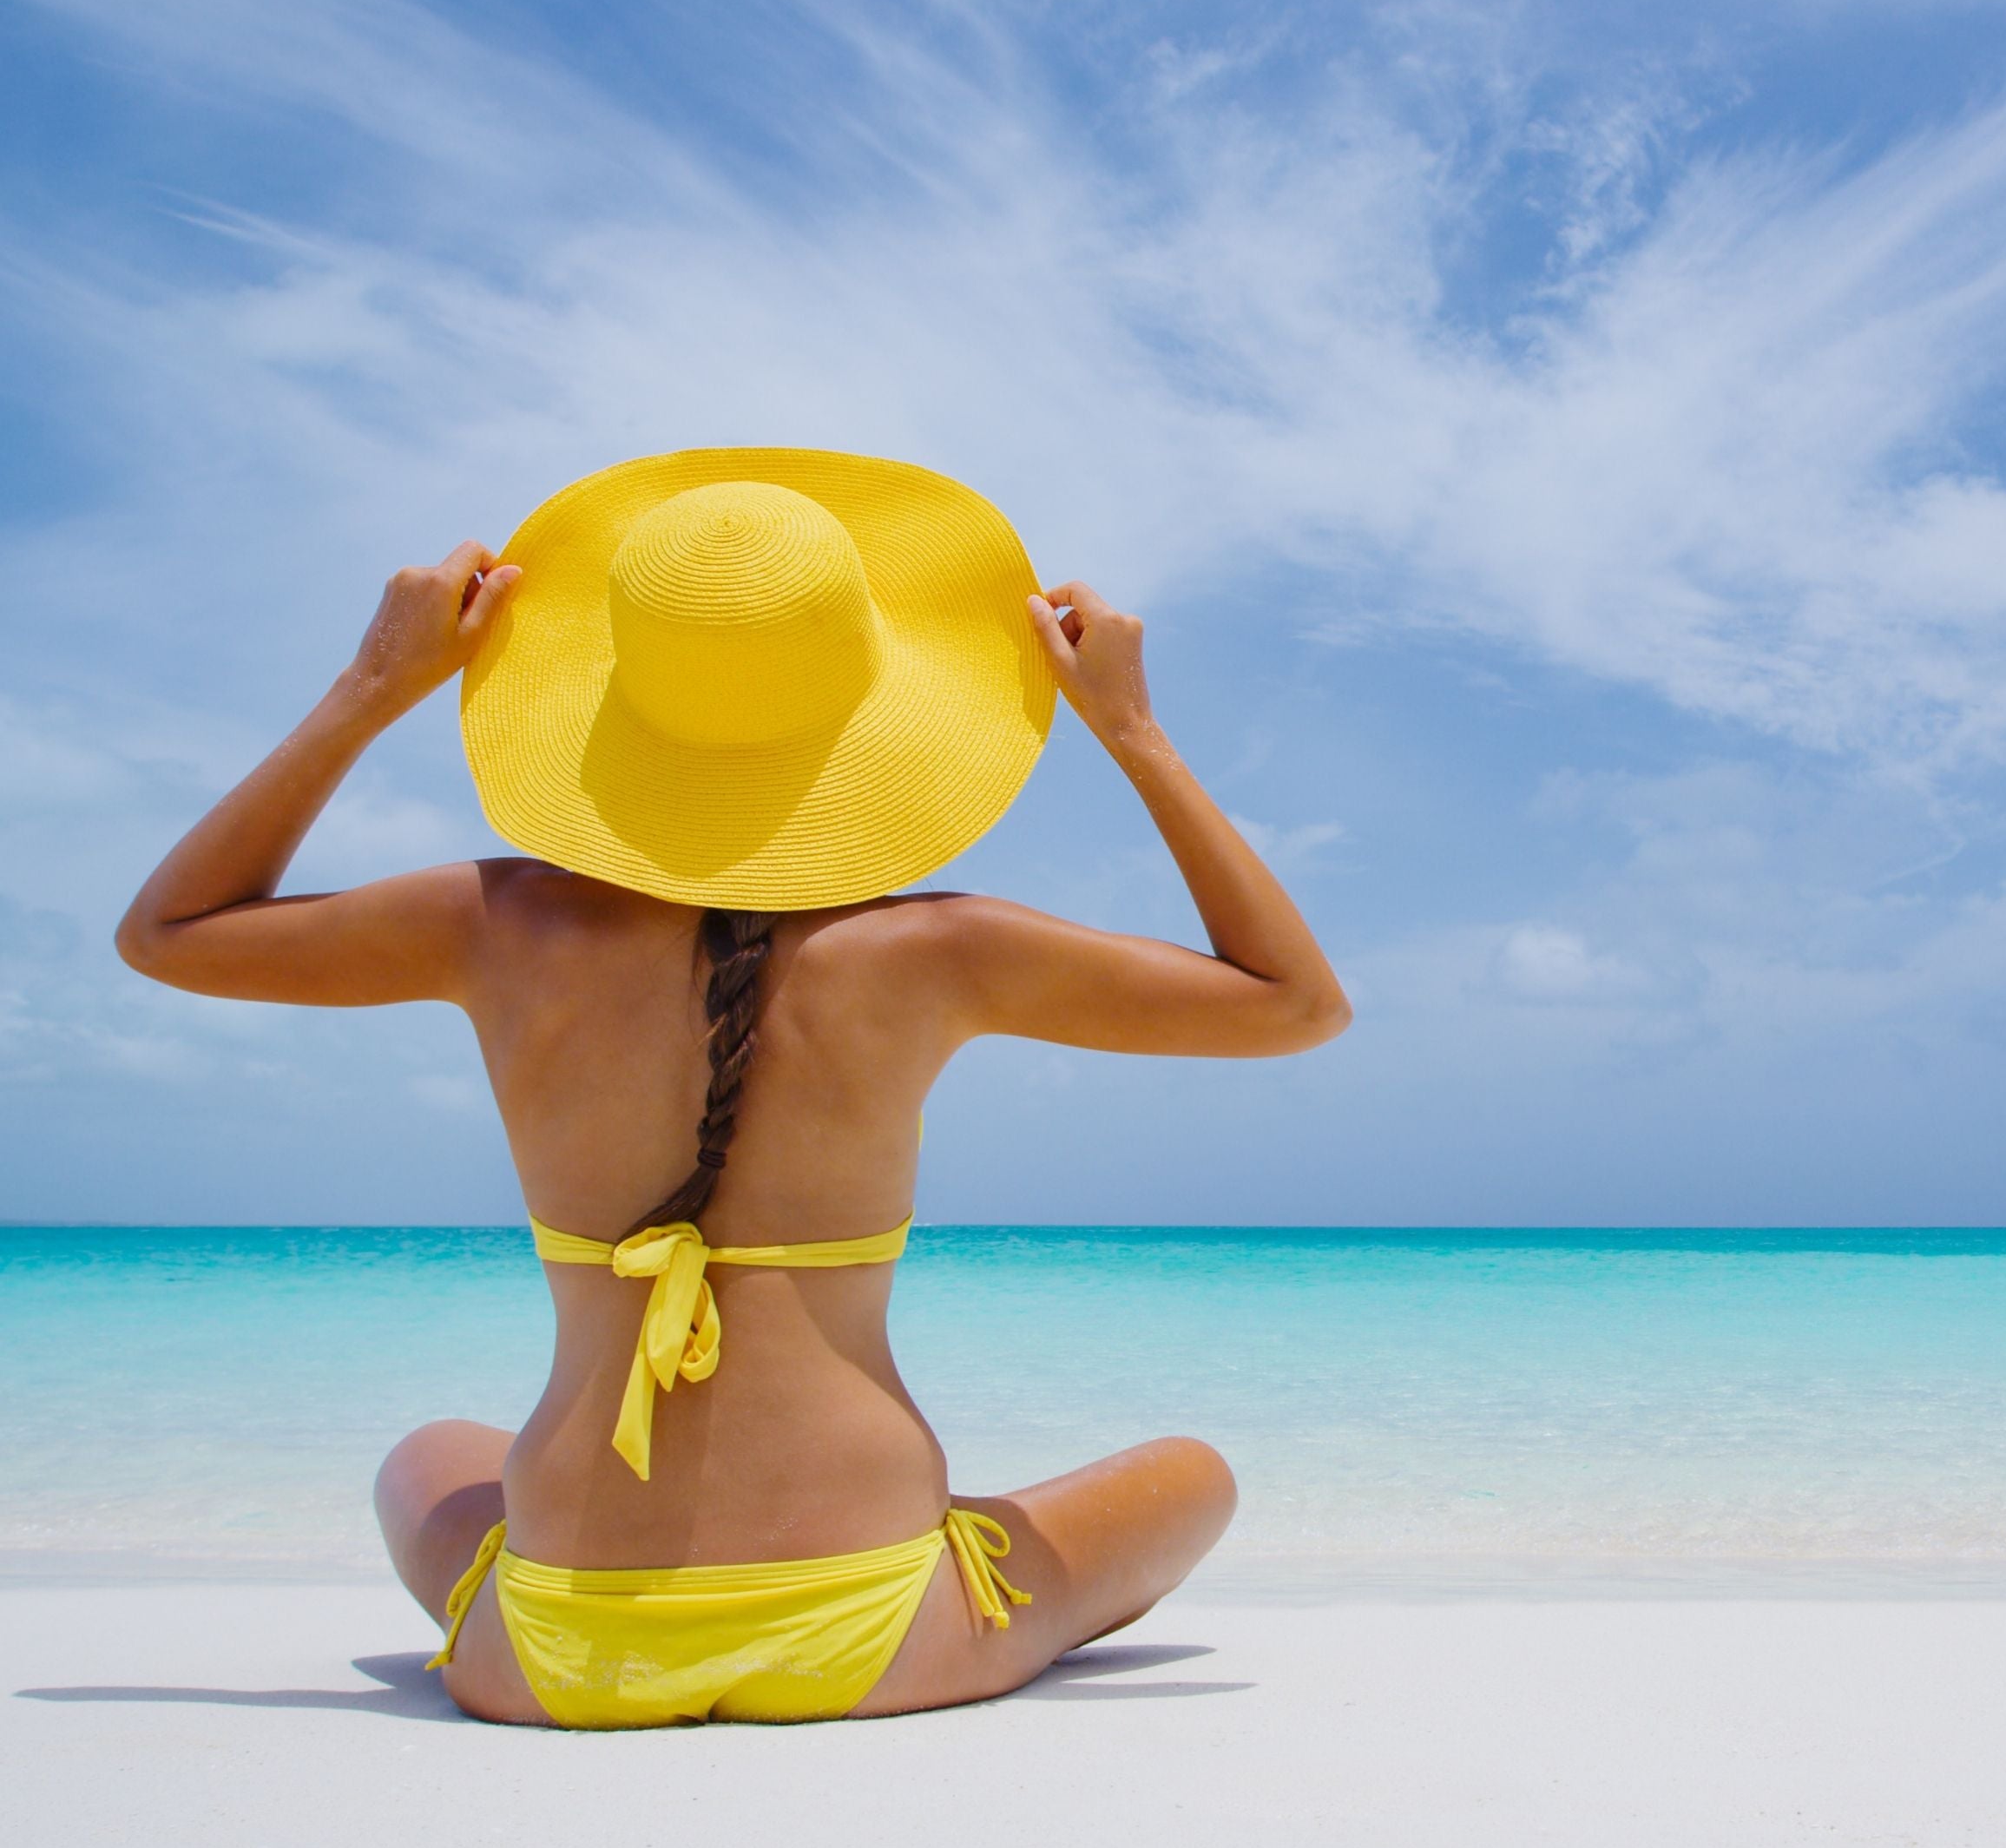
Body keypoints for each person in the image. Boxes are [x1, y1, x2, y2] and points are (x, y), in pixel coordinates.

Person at [116, 450, 1349, 1726]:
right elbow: (1297, 1003)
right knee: (1188, 1476)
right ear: (873, 721)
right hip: (870, 1626)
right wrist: (1131, 730)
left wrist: (375, 687)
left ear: (613, 703)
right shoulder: (941, 952)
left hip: (560, 1648)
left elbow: (172, 931)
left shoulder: (493, 925)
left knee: (427, 1461)